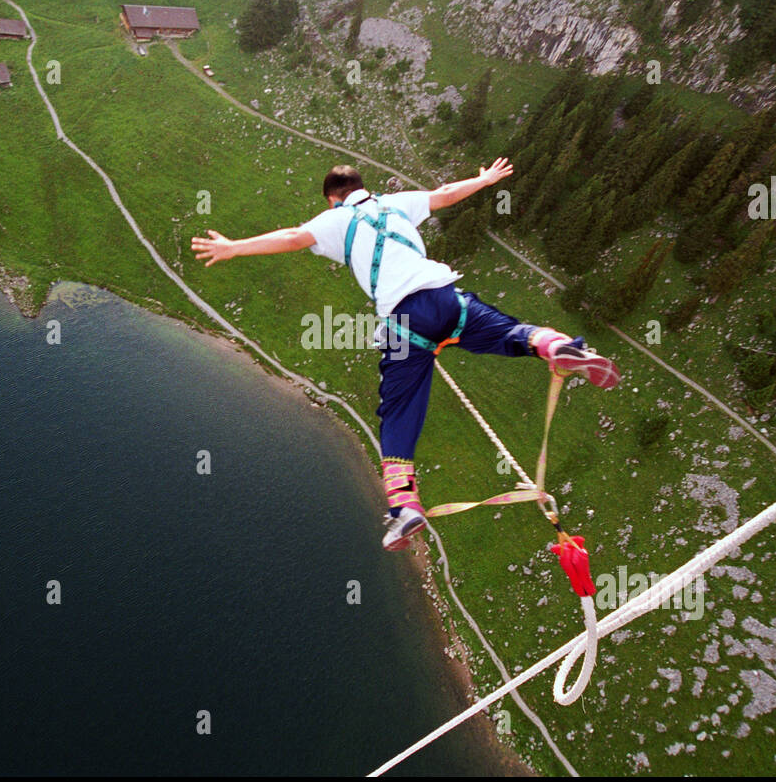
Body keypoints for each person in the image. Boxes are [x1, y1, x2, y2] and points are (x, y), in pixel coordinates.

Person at [192, 159, 619, 551]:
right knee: (510, 332)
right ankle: (560, 348)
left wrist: (233, 247)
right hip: (446, 297)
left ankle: (407, 509)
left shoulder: (334, 219)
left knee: (399, 412)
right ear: (364, 187)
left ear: (331, 197)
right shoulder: (398, 203)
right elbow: (446, 193)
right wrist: (486, 180)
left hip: (403, 323)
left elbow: (291, 238)